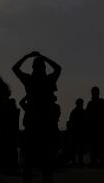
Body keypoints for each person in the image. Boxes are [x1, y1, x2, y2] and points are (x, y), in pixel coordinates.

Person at [13, 51, 61, 183]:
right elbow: (58, 68)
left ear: (33, 68)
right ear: (44, 68)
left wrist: (27, 56)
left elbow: (15, 68)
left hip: (32, 125)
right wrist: (43, 57)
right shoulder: (48, 80)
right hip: (46, 125)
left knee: (29, 164)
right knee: (46, 164)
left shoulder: (29, 80)